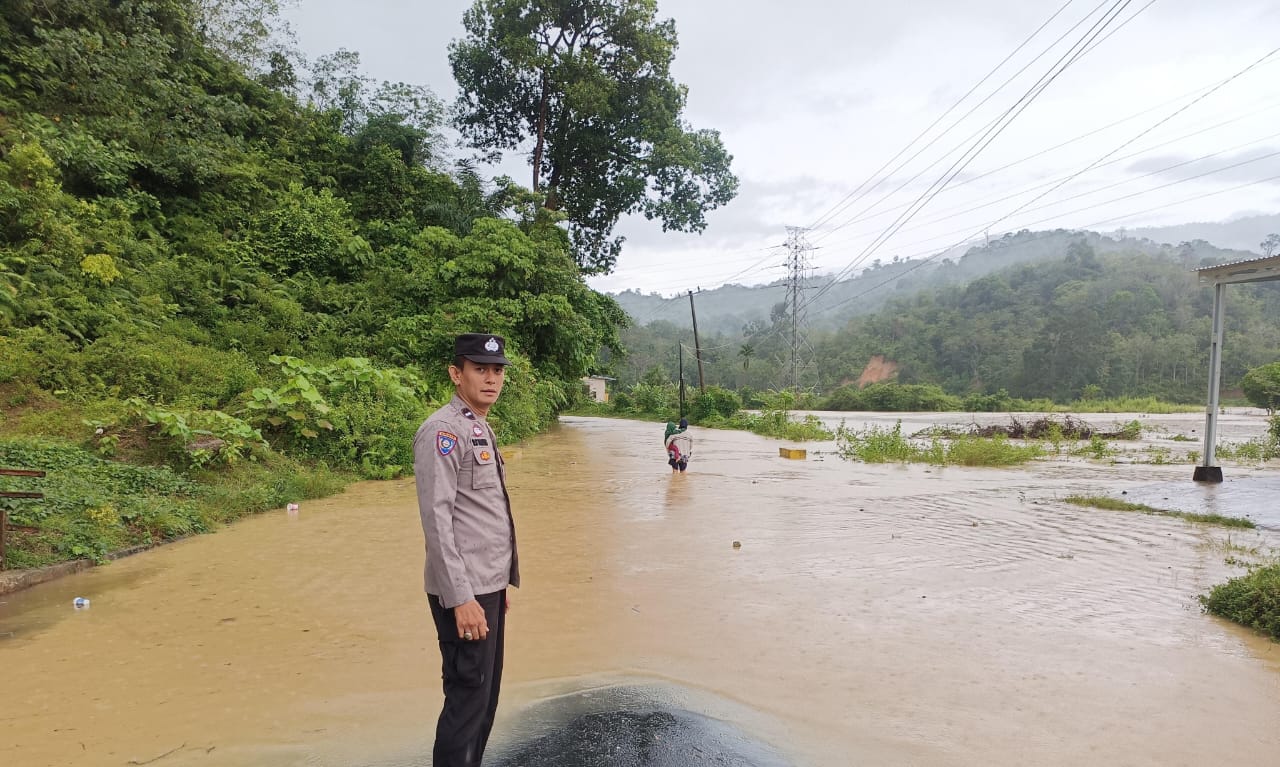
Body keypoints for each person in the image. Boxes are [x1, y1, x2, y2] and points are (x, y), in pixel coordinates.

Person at [413, 333, 519, 767]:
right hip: (465, 595)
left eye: (497, 370)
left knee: (484, 701)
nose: (491, 378)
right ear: (457, 374)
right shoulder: (442, 431)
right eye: (481, 369)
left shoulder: (479, 424)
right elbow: (436, 522)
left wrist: (499, 583)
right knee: (466, 701)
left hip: (486, 589)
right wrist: (462, 598)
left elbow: (485, 515)